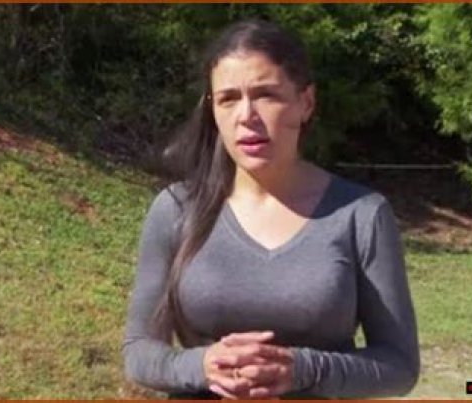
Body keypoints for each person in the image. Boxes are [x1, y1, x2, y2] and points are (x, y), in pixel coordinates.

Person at [122, 19, 420, 399]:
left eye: (266, 95)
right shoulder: (176, 209)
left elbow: (399, 366)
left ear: (305, 102)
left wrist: (303, 370)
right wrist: (202, 366)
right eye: (229, 99)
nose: (246, 115)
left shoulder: (361, 215)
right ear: (213, 110)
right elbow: (139, 352)